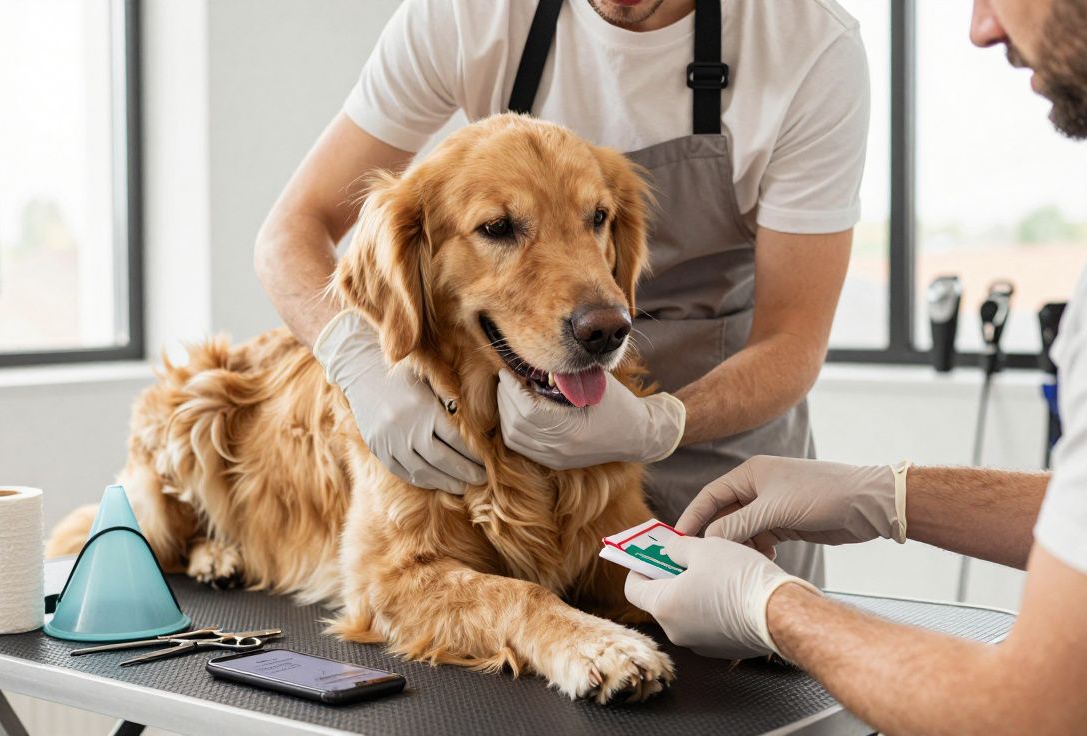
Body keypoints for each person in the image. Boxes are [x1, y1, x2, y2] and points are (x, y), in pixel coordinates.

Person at [256, 0, 872, 584]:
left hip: (727, 456)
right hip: (521, 439)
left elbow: (793, 340)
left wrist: (659, 423)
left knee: (747, 667)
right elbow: (290, 231)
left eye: (595, 219)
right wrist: (359, 362)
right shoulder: (471, 14)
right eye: (501, 227)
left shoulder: (809, 45)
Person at [624, 1, 1087, 730]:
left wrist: (769, 605)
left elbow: (1033, 711)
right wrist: (888, 496)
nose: (980, 28)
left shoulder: (808, 44)